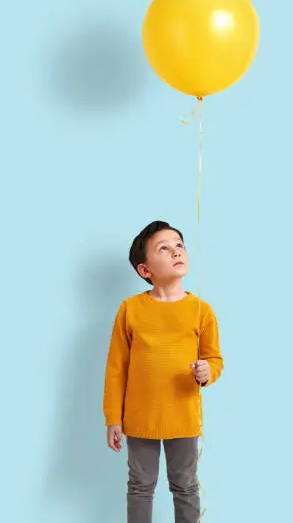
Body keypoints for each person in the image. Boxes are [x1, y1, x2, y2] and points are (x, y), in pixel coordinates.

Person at [103, 220, 224, 523]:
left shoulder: (202, 311)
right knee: (140, 486)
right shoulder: (130, 309)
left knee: (185, 486)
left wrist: (207, 372)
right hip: (140, 418)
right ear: (146, 270)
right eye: (164, 248)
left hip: (183, 417)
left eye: (179, 246)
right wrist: (113, 419)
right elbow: (117, 368)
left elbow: (215, 359)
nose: (176, 252)